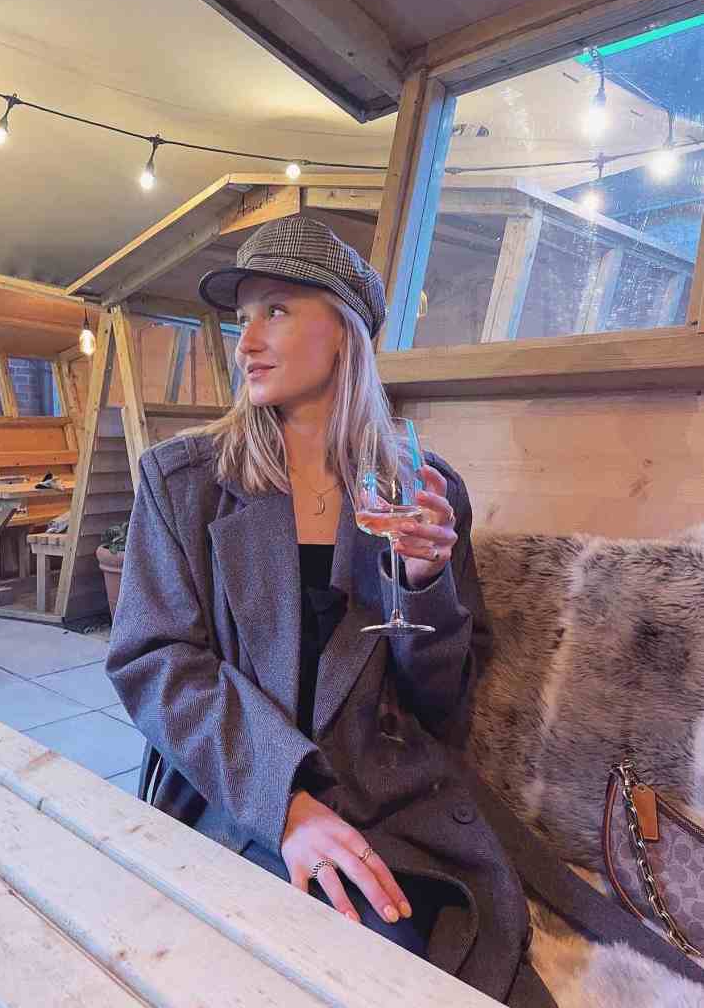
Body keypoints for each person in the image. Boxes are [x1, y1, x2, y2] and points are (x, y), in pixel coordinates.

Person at [107, 216, 699, 1003]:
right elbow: (157, 662)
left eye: (275, 310)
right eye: (241, 316)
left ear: (344, 332)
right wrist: (285, 805)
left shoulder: (422, 488)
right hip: (238, 789)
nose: (245, 341)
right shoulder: (182, 483)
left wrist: (422, 581)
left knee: (413, 952)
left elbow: (439, 705)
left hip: (391, 795)